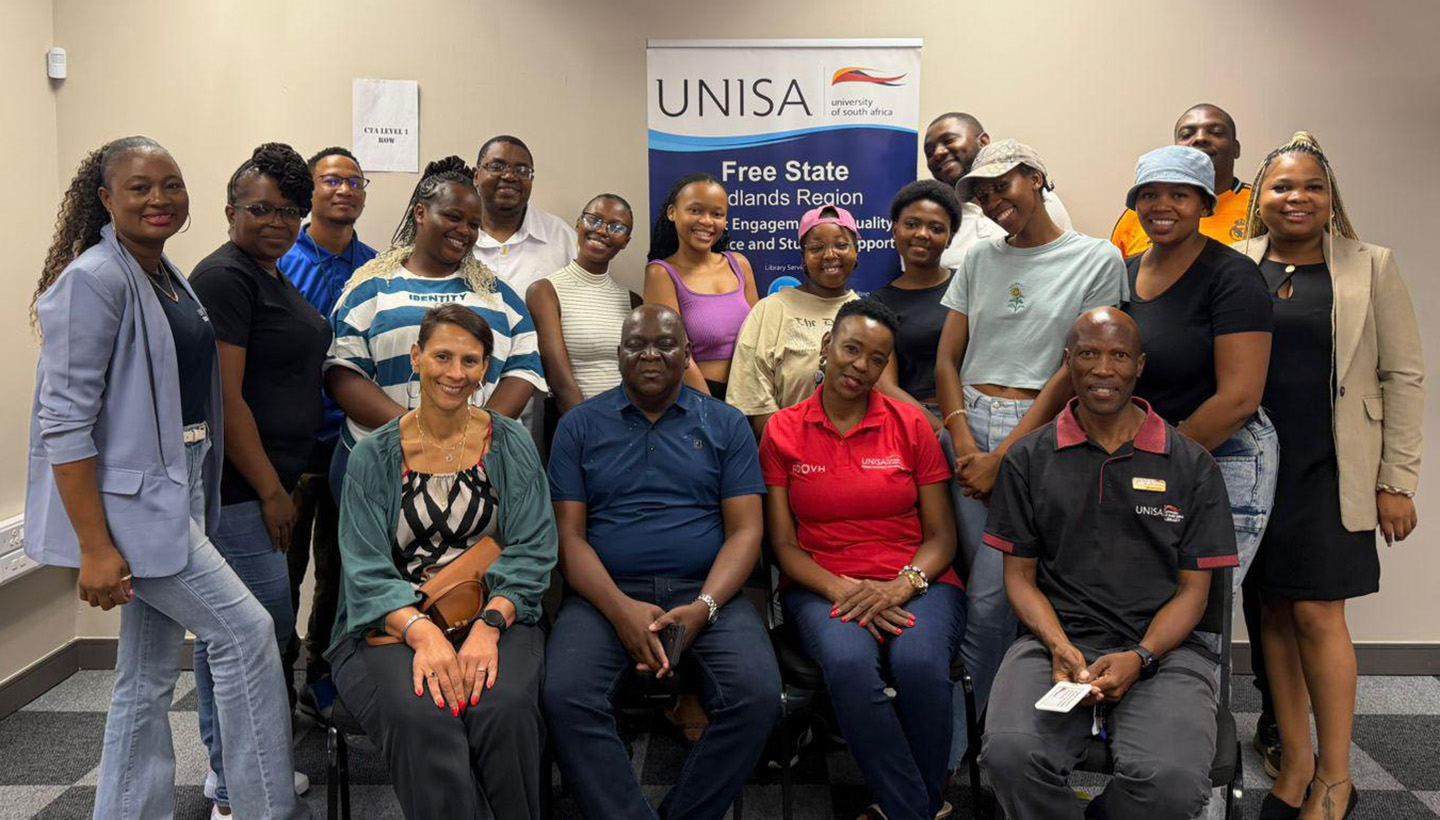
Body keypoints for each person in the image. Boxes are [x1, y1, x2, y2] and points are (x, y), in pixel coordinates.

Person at [25, 136, 305, 819]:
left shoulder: (163, 273)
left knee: (146, 677)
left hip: (181, 479)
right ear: (104, 200)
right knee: (244, 633)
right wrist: (95, 547)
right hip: (131, 504)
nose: (160, 199)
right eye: (141, 187)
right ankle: (261, 807)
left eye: (172, 185)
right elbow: (63, 424)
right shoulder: (93, 280)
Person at [981, 308, 1238, 820]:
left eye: (1119, 355)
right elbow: (1020, 578)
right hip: (1055, 643)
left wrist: (1141, 655)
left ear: (1139, 365)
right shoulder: (1029, 459)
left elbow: (1194, 593)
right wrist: (1058, 644)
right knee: (1009, 757)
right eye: (1089, 354)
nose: (1103, 369)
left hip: (1164, 652)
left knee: (1173, 783)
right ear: (1067, 362)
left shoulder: (1192, 465)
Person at [1241, 133, 1424, 820]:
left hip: (1333, 464)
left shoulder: (1370, 266)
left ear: (1330, 197)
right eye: (1283, 186)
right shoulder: (1236, 265)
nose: (1297, 197)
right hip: (1255, 466)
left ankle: (1338, 778)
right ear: (1262, 197)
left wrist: (1397, 480)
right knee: (1273, 613)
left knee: (1319, 614)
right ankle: (1297, 763)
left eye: (1311, 186)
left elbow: (1402, 374)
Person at [932, 139, 1127, 769]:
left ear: (1038, 179)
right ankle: (992, 727)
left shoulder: (1096, 257)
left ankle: (975, 745)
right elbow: (946, 357)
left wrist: (1006, 455)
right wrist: (963, 438)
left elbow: (1076, 368)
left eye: (1001, 186)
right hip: (966, 425)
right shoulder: (979, 260)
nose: (992, 202)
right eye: (981, 195)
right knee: (972, 591)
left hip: (1038, 434)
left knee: (995, 597)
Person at [543, 305, 780, 820]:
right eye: (636, 345)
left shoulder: (726, 422)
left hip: (707, 591)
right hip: (605, 593)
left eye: (666, 344)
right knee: (565, 696)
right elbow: (570, 540)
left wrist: (706, 606)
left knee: (758, 697)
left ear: (688, 353)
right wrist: (619, 609)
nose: (650, 354)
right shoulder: (579, 425)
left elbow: (746, 531)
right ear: (619, 355)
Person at [327, 304, 556, 820]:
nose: (456, 373)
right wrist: (422, 633)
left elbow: (534, 546)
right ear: (416, 357)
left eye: (471, 361)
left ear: (485, 370)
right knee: (425, 713)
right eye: (443, 356)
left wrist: (490, 625)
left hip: (496, 608)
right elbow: (363, 569)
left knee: (502, 707)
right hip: (388, 620)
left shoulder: (510, 442)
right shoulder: (374, 455)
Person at [763, 298, 961, 820]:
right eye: (852, 349)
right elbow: (783, 546)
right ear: (827, 347)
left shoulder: (911, 424)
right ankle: (917, 809)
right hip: (821, 580)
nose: (861, 366)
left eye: (877, 359)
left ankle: (902, 808)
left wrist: (901, 585)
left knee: (919, 663)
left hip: (918, 578)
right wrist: (843, 589)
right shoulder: (783, 430)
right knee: (849, 665)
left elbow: (942, 536)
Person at [188, 142, 326, 816]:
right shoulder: (225, 278)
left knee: (248, 635)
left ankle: (241, 769)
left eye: (289, 210)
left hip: (267, 485)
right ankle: (233, 786)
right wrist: (272, 489)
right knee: (249, 639)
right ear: (230, 210)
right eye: (262, 209)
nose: (278, 221)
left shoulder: (267, 273)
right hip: (240, 493)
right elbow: (225, 397)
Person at [325, 156, 545, 500]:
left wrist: (470, 437)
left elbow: (525, 368)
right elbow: (343, 373)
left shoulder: (497, 294)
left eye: (474, 224)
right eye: (453, 217)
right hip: (382, 470)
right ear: (421, 213)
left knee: (475, 555)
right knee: (375, 555)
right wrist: (420, 434)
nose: (464, 231)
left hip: (480, 468)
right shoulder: (371, 287)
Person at [1120, 145, 1276, 591]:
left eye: (1179, 195)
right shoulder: (1122, 272)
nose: (1162, 207)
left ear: (1206, 204)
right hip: (1148, 454)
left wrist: (1154, 461)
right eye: (1149, 194)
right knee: (1147, 597)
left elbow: (1240, 398)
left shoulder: (1232, 275)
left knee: (1203, 611)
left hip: (1225, 454)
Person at [276, 145, 378, 713]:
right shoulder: (282, 255)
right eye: (332, 180)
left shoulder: (375, 267)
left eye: (355, 181)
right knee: (282, 577)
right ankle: (274, 684)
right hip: (287, 451)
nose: (344, 190)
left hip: (350, 445)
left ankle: (322, 674)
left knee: (340, 575)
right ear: (311, 191)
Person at [727, 204, 861, 438]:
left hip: (853, 450)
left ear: (856, 251)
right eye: (817, 248)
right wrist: (795, 448)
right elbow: (753, 397)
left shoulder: (866, 315)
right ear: (803, 258)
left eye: (841, 245)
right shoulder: (771, 309)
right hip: (787, 451)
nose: (830, 255)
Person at [645, 173, 759, 400]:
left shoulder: (740, 265)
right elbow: (674, 352)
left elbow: (761, 338)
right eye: (695, 210)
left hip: (751, 396)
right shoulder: (661, 273)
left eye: (717, 214)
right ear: (672, 213)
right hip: (698, 399)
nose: (707, 221)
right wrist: (712, 413)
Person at [526, 193, 641, 417]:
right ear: (579, 223)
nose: (601, 231)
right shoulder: (545, 291)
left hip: (629, 422)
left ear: (626, 241)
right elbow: (559, 382)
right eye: (594, 220)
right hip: (577, 425)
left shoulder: (633, 302)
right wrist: (591, 431)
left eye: (616, 228)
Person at [922, 112, 1072, 270]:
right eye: (929, 152)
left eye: (949, 140)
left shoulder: (1042, 201)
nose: (938, 153)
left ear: (983, 141)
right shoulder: (939, 218)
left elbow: (1064, 264)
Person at [872, 180, 964, 429]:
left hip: (974, 413)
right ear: (895, 230)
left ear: (949, 238)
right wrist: (940, 429)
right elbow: (885, 385)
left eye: (936, 228)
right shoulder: (880, 303)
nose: (922, 234)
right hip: (914, 420)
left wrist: (959, 425)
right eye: (911, 224)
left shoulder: (967, 284)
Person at [1110, 104, 1252, 258]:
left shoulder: (1260, 206)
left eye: (1216, 132)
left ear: (1236, 148)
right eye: (1186, 134)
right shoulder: (1140, 212)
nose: (1200, 138)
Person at [470, 134, 577, 295]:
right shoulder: (456, 236)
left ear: (531, 179)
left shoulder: (562, 237)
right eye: (497, 167)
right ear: (476, 175)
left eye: (522, 170)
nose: (509, 176)